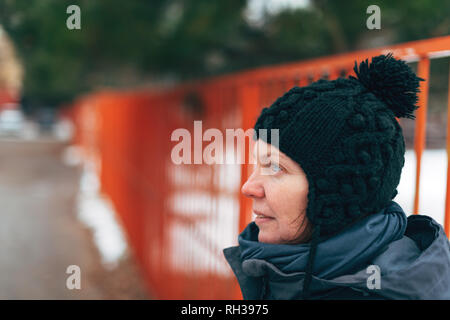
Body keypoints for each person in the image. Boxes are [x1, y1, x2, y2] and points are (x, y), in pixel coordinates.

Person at [223, 53, 450, 300]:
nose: (248, 187)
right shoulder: (286, 265)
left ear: (336, 195)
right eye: (257, 163)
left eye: (276, 167)